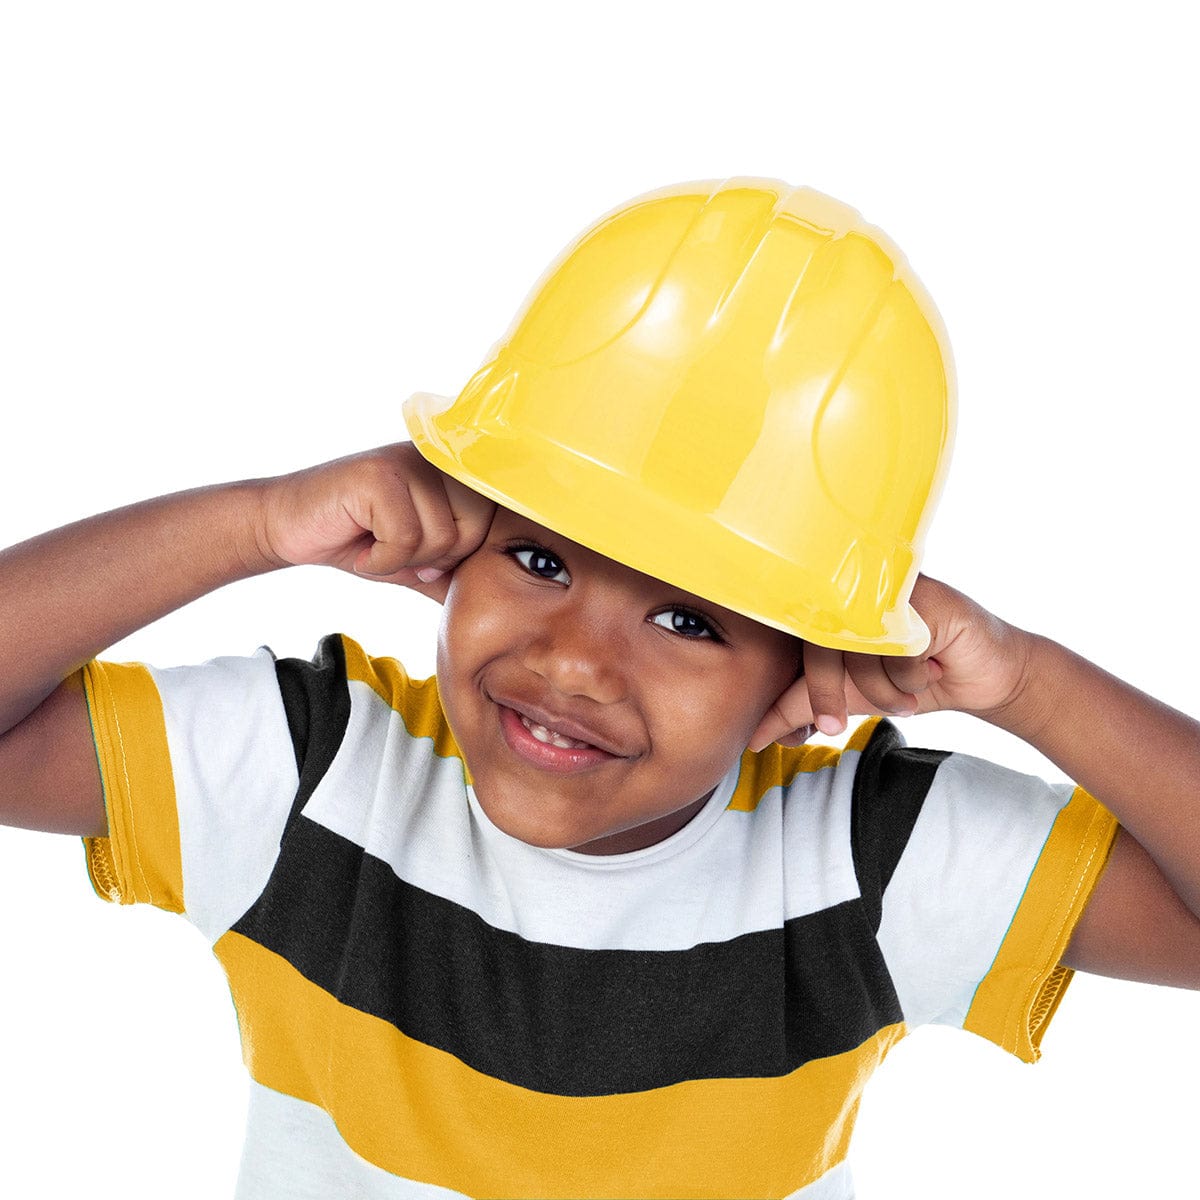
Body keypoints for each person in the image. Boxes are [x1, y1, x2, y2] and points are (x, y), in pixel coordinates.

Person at [1, 178, 1197, 1199]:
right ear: (456, 538)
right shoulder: (315, 773)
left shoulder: (859, 861)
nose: (575, 661)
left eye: (688, 619)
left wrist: (1024, 680)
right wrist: (259, 522)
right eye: (540, 559)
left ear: (806, 666)